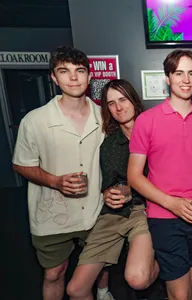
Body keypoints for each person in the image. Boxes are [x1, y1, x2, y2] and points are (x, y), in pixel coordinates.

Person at [12, 46, 110, 300]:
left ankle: (103, 293)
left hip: (95, 210)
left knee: (99, 268)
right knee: (55, 272)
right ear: (54, 78)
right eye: (64, 71)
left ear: (90, 77)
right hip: (52, 214)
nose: (74, 78)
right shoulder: (34, 121)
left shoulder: (105, 117)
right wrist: (54, 181)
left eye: (80, 71)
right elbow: (21, 164)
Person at [127, 49, 192, 300]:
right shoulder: (146, 121)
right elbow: (135, 176)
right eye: (179, 73)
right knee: (180, 294)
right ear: (167, 78)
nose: (186, 79)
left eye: (191, 73)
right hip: (165, 215)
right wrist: (173, 204)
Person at [66, 79, 159, 300]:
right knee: (75, 290)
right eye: (111, 103)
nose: (118, 107)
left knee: (138, 278)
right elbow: (109, 184)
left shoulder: (157, 132)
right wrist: (108, 194)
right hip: (114, 215)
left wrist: (132, 191)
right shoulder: (109, 145)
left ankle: (165, 262)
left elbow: (170, 179)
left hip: (146, 210)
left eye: (123, 99)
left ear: (134, 100)